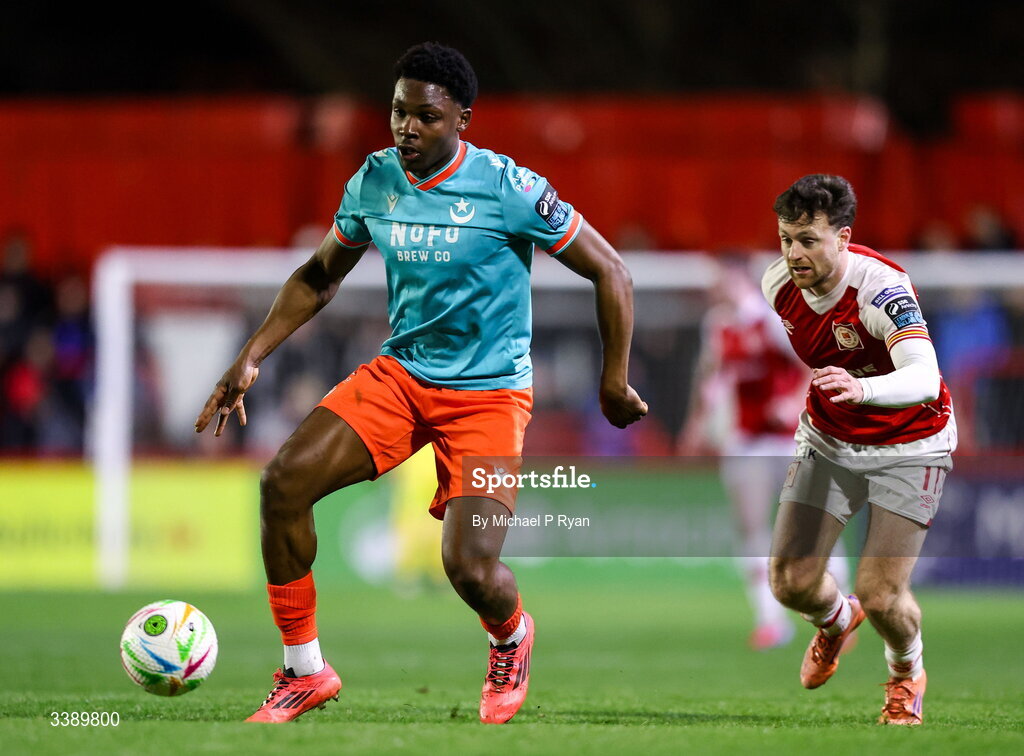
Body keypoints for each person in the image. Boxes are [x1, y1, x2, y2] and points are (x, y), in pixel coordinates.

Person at [195, 42, 647, 725]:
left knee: (468, 569)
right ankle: (304, 671)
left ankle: (511, 636)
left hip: (491, 394)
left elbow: (610, 269)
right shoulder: (375, 181)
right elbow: (321, 277)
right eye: (398, 113)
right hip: (403, 377)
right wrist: (251, 354)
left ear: (462, 119)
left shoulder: (508, 187)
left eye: (426, 117)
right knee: (283, 483)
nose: (407, 128)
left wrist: (613, 380)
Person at [762, 175, 956, 726]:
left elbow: (924, 375)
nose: (794, 253)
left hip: (911, 441)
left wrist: (863, 389)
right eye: (786, 238)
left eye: (808, 240)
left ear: (843, 238)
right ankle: (834, 619)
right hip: (829, 437)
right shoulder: (776, 284)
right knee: (790, 582)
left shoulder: (882, 290)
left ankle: (904, 675)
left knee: (882, 593)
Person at [677, 256, 849, 651]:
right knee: (751, 527)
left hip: (791, 438)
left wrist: (792, 402)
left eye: (720, 278)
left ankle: (841, 608)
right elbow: (710, 373)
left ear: (739, 279)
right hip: (746, 440)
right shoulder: (718, 325)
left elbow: (812, 365)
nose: (713, 287)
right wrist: (696, 423)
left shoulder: (771, 320)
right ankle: (770, 619)